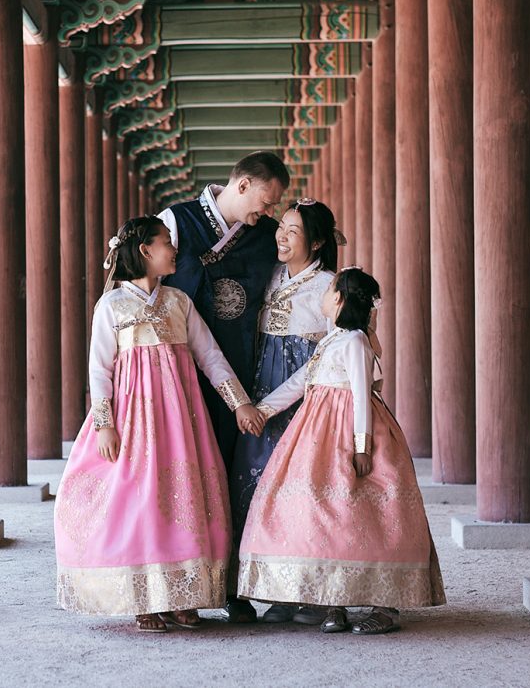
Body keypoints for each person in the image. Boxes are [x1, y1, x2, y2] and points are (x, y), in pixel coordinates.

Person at [54, 216, 265, 632]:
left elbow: (210, 358)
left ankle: (183, 596)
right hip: (133, 419)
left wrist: (239, 403)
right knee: (140, 501)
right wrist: (104, 424)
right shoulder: (112, 305)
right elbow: (100, 369)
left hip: (181, 420)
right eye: (167, 242)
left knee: (182, 498)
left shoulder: (179, 302)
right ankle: (145, 599)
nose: (175, 250)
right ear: (146, 251)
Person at [237, 267, 445, 634]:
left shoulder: (354, 341)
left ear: (339, 299)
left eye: (331, 287)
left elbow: (363, 394)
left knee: (366, 514)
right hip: (316, 431)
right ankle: (334, 598)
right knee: (325, 514)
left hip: (348, 429)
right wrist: (263, 409)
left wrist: (362, 445)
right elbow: (299, 383)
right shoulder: (331, 340)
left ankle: (385, 606)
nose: (325, 291)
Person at [159, 151, 289, 622]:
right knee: (182, 476)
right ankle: (180, 586)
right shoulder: (176, 221)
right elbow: (142, 284)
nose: (268, 212)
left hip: (239, 372)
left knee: (233, 476)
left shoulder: (263, 239)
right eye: (265, 200)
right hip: (175, 374)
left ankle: (233, 584)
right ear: (242, 184)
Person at [229, 198, 341, 625]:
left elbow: (324, 362)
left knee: (303, 492)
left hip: (303, 403)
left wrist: (269, 405)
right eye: (283, 227)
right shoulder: (271, 275)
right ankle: (273, 590)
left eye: (293, 231)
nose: (282, 235)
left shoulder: (330, 286)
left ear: (315, 242)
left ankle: (310, 593)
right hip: (259, 391)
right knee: (254, 487)